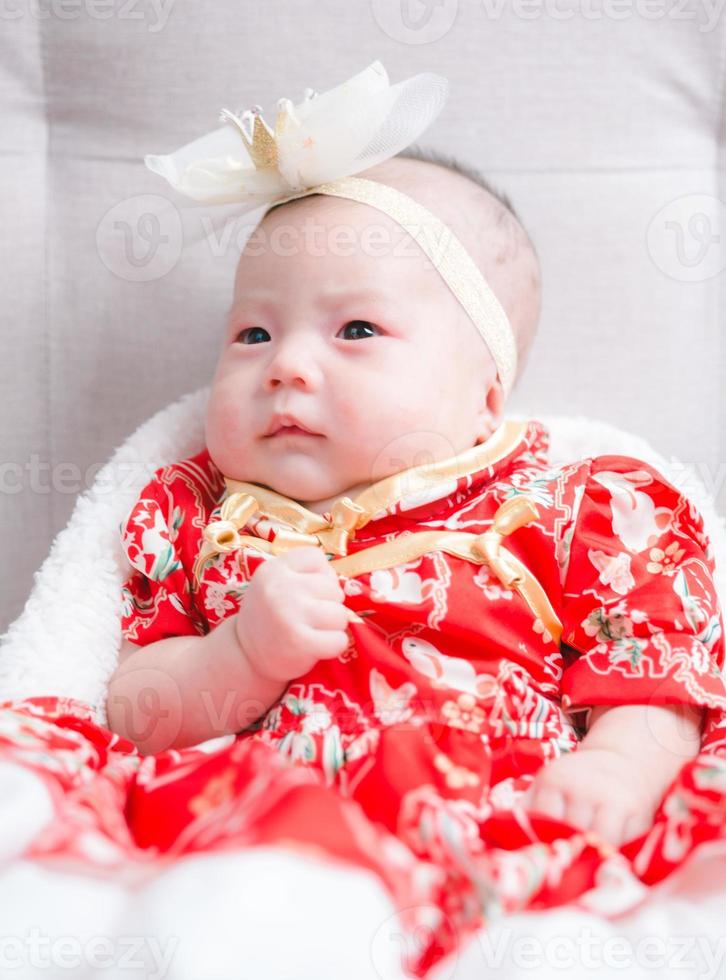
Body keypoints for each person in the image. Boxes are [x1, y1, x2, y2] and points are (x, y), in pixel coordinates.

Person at [103, 64, 726, 977]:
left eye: (355, 330)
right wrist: (238, 654)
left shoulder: (567, 505)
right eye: (252, 334)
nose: (286, 368)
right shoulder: (202, 514)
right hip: (273, 833)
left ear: (485, 396)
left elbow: (659, 673)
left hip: (513, 818)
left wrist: (616, 772)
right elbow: (132, 711)